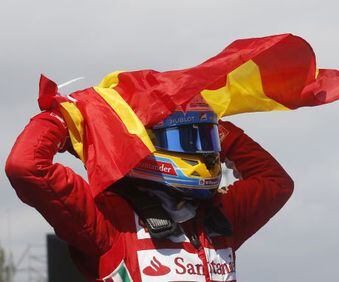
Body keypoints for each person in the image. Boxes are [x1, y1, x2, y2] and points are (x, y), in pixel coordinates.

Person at [5, 102, 294, 281]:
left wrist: (218, 128)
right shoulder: (110, 218)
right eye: (188, 139)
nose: (204, 151)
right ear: (147, 147)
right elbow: (27, 167)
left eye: (204, 139)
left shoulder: (218, 217)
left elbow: (275, 182)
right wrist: (60, 119)